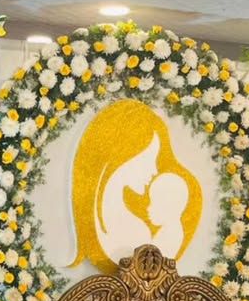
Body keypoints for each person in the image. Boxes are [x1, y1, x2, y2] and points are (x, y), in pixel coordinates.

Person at [68, 99, 202, 272]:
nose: (155, 170)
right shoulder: (122, 229)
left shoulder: (141, 232)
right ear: (123, 156)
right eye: (150, 159)